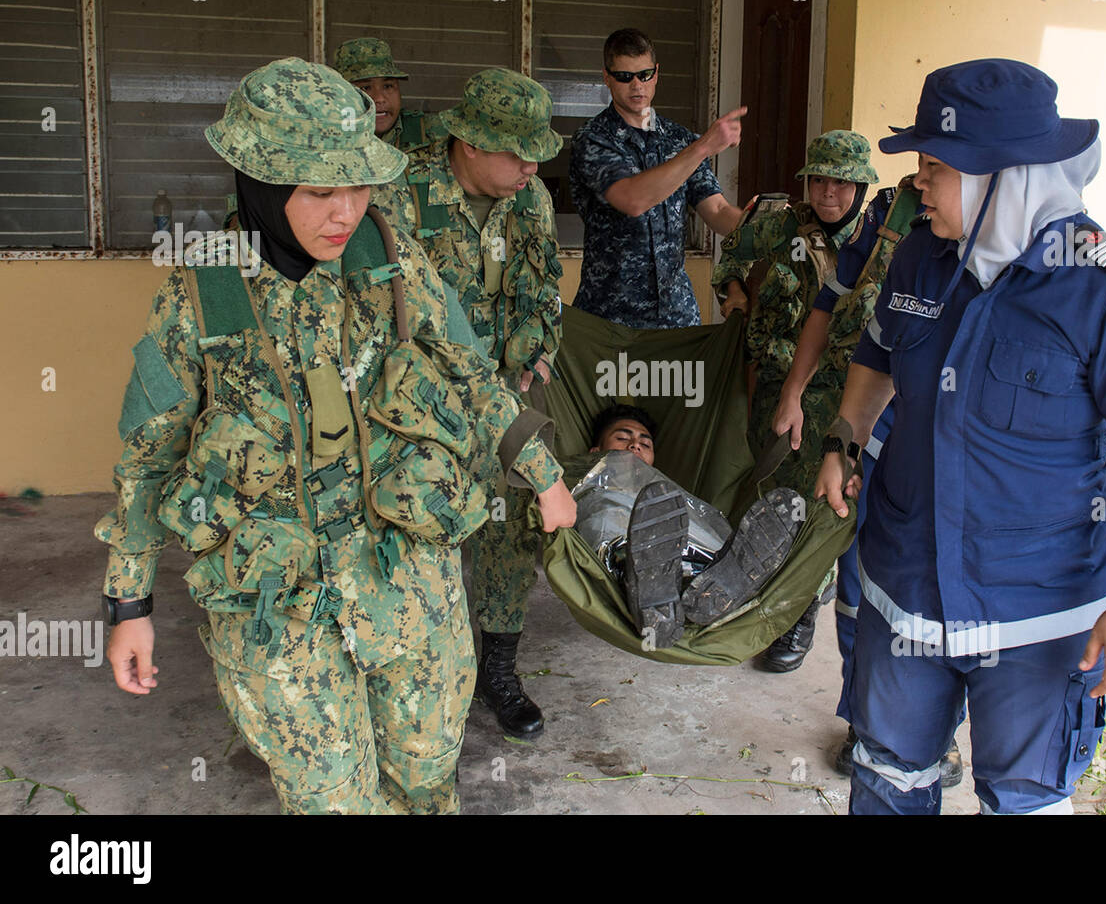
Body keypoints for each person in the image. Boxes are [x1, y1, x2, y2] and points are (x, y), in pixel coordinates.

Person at [96, 59, 576, 814]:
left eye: (358, 185)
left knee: (425, 784)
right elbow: (148, 457)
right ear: (258, 182)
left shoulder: (389, 259)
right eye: (321, 190)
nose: (346, 210)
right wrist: (129, 607)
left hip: (409, 581)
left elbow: (469, 369)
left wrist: (541, 470)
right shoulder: (204, 295)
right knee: (332, 802)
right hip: (279, 606)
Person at [816, 58, 1106, 815]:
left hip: (1039, 617)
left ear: (1001, 176)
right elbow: (879, 352)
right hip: (906, 591)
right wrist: (844, 438)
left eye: (934, 166)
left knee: (1022, 799)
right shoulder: (923, 253)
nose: (918, 184)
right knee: (888, 777)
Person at [370, 67, 565, 741]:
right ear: (472, 144)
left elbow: (544, 289)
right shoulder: (399, 192)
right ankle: (410, 678)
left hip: (505, 400)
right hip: (421, 414)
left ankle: (498, 671)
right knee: (419, 537)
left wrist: (536, 357)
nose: (531, 164)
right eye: (518, 150)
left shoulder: (531, 198)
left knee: (509, 535)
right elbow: (385, 310)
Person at [766, 170, 965, 783]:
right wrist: (796, 393)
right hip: (866, 427)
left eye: (937, 164)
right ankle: (863, 717)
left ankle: (937, 733)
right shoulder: (894, 210)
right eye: (921, 166)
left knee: (939, 590)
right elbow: (829, 303)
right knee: (856, 580)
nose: (924, 181)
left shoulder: (1025, 240)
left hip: (950, 448)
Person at [713, 130, 881, 675]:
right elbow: (729, 261)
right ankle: (773, 600)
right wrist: (734, 294)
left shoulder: (884, 241)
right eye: (818, 179)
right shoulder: (775, 222)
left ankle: (803, 608)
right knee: (778, 493)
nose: (827, 192)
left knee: (827, 501)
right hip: (779, 382)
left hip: (851, 391)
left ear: (859, 186)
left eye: (840, 182)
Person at [570, 405, 801, 649]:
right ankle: (658, 590)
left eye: (645, 444)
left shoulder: (666, 499)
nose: (635, 445)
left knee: (677, 517)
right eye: (622, 438)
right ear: (596, 451)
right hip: (620, 552)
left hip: (678, 556)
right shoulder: (585, 490)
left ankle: (701, 587)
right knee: (614, 516)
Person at [569, 27, 746, 328]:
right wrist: (703, 147)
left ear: (657, 73)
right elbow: (633, 199)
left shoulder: (679, 140)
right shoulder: (593, 140)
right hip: (611, 319)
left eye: (645, 74)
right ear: (607, 77)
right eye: (625, 76)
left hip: (675, 317)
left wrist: (763, 225)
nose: (637, 85)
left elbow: (717, 211)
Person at [332, 37, 440, 150]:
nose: (379, 98)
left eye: (388, 86)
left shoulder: (430, 131)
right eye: (365, 88)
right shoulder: (327, 139)